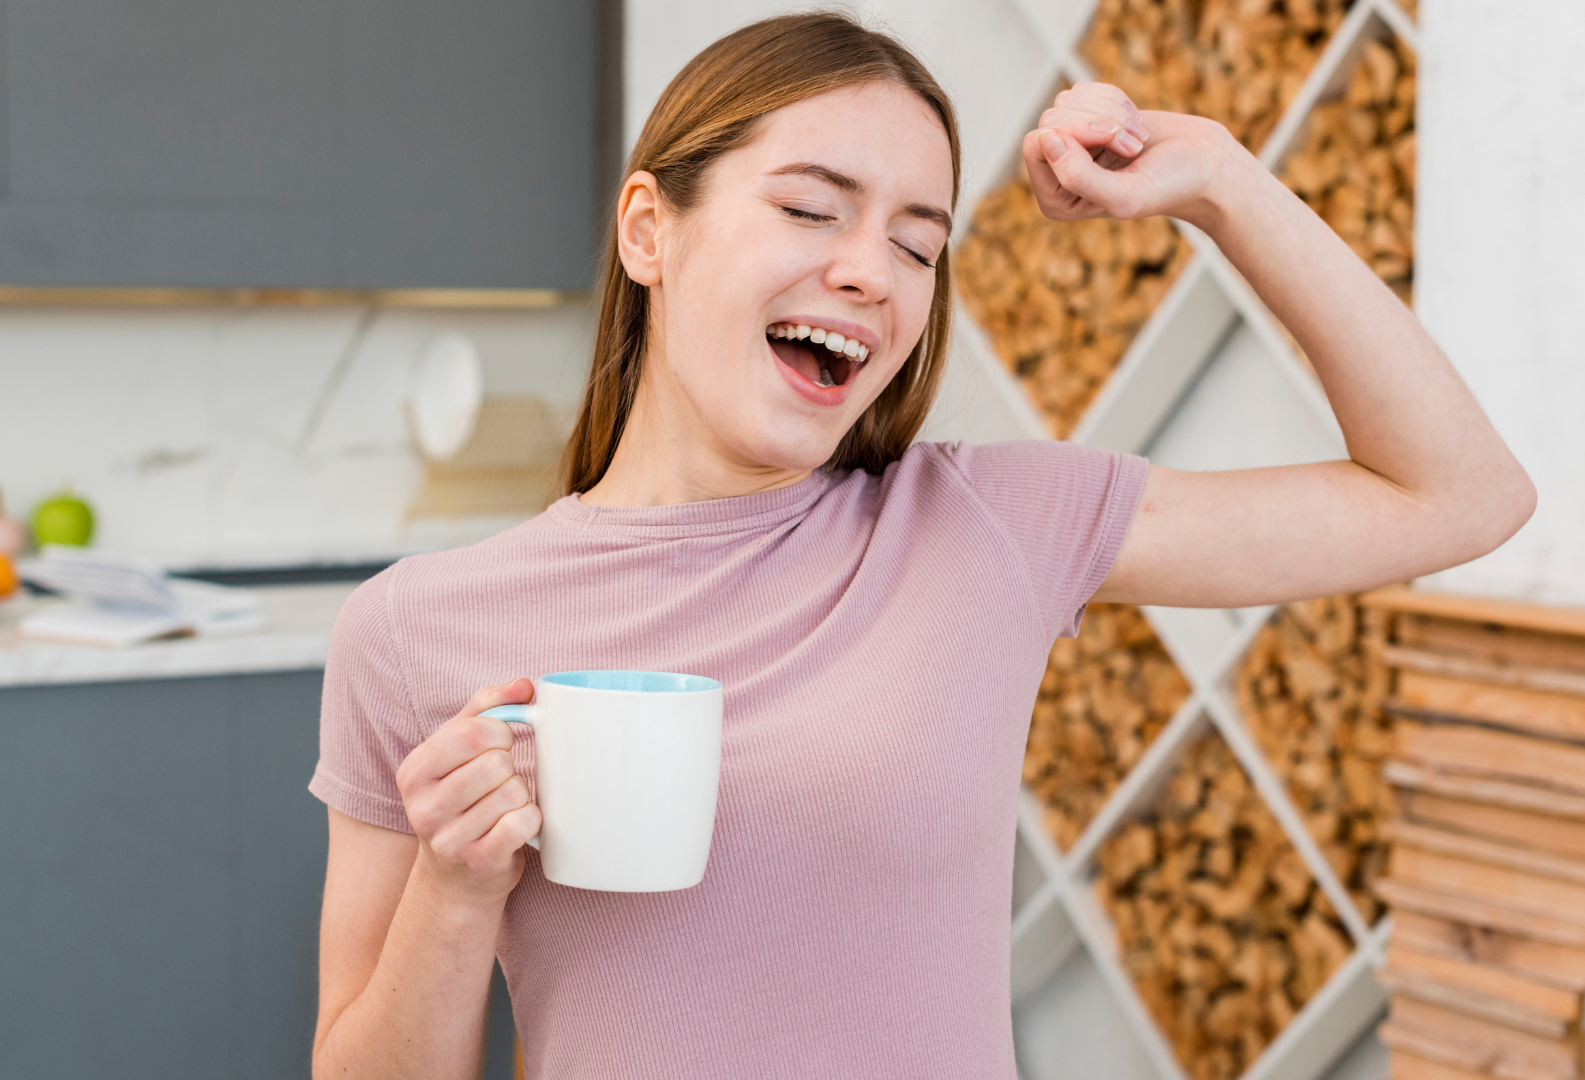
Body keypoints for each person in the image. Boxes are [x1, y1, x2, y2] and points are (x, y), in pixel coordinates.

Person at [309, 12, 1532, 1079]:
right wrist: (455, 890)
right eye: (809, 208)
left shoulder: (987, 527)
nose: (868, 273)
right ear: (649, 230)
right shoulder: (415, 628)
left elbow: (1459, 498)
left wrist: (1222, 184)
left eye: (916, 244)